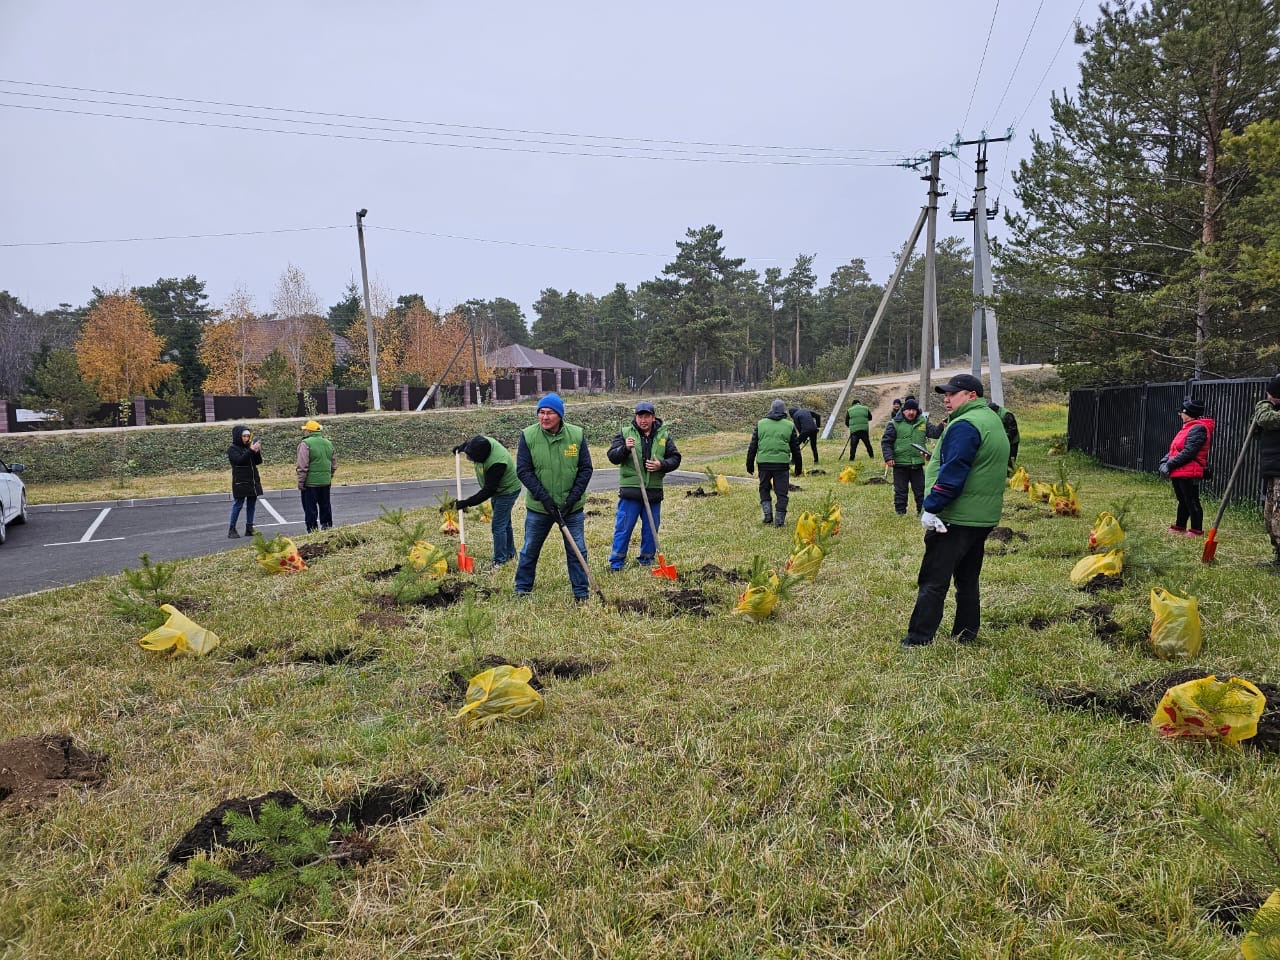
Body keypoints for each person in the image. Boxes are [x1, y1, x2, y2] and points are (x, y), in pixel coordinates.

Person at [902, 374, 1010, 647]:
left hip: (955, 517)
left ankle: (918, 639)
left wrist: (932, 506)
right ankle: (966, 633)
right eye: (946, 394)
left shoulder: (965, 425)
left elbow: (954, 472)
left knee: (933, 580)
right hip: (981, 517)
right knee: (967, 579)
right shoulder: (991, 420)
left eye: (952, 394)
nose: (946, 399)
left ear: (972, 395)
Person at [514, 393, 594, 600]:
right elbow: (523, 470)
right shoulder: (528, 436)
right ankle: (522, 588)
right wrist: (545, 499)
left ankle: (581, 593)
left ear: (560, 415)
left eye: (550, 412)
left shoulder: (576, 435)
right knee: (530, 549)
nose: (544, 417)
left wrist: (571, 500)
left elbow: (586, 468)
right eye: (541, 412)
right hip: (540, 508)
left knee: (577, 550)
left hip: (571, 509)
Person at [605, 401, 682, 570]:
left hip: (653, 491)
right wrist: (625, 448)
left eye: (647, 416)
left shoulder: (663, 436)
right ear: (636, 417)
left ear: (653, 418)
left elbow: (675, 458)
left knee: (651, 529)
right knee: (623, 528)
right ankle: (616, 563)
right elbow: (612, 456)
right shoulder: (625, 433)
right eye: (640, 416)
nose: (643, 420)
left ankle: (647, 560)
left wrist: (661, 465)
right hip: (631, 491)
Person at [452, 435, 521, 566]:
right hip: (498, 489)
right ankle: (511, 554)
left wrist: (466, 503)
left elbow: (488, 491)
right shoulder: (481, 442)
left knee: (498, 525)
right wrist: (462, 447)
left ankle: (499, 561)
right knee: (504, 523)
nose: (470, 460)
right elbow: (470, 442)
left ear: (483, 457)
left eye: (473, 458)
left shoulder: (497, 463)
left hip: (507, 491)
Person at [1158, 398, 1214, 537]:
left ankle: (1196, 529)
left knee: (1192, 500)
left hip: (1189, 471)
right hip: (1179, 470)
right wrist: (1164, 461)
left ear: (1187, 413)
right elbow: (1174, 449)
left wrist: (1169, 464)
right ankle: (1180, 526)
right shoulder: (1187, 427)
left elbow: (1189, 452)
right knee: (1182, 500)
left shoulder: (1198, 428)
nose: (1180, 415)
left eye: (1181, 412)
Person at [747, 398, 803, 527]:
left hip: (764, 464)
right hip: (781, 465)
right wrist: (798, 467)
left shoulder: (760, 424)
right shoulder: (789, 425)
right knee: (782, 493)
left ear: (771, 409)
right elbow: (795, 449)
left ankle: (767, 516)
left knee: (764, 488)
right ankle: (779, 521)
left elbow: (753, 446)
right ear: (783, 411)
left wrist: (749, 464)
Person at [881, 398, 929, 515]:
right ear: (903, 411)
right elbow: (886, 442)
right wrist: (888, 457)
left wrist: (943, 426)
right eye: (908, 410)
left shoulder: (923, 422)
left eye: (914, 410)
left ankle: (922, 512)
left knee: (920, 490)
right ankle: (900, 512)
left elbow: (935, 433)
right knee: (900, 491)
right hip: (900, 464)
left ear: (917, 411)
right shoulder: (893, 424)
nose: (911, 412)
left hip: (917, 464)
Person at [1255, 375, 1280, 568]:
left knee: (1278, 517)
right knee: (1270, 517)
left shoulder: (1271, 413)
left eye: (1270, 395)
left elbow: (1265, 418)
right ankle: (1278, 556)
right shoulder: (1273, 411)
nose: (1268, 398)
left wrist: (1264, 405)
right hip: (1273, 469)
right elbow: (1257, 424)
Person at [296, 419, 337, 533]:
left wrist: (301, 482)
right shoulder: (328, 443)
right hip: (325, 482)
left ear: (309, 431)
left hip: (310, 483)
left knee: (310, 508)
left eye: (305, 430)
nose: (304, 432)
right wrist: (329, 476)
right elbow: (333, 464)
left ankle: (312, 530)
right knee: (325, 506)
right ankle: (327, 527)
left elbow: (302, 465)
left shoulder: (305, 444)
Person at [226, 424, 262, 538]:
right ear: (238, 436)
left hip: (252, 480)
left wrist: (257, 451)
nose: (246, 438)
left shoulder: (248, 447)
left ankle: (249, 528)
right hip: (240, 481)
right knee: (238, 504)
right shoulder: (232, 449)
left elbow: (258, 461)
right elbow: (240, 461)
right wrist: (251, 450)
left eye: (248, 436)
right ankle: (232, 529)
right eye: (244, 436)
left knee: (252, 504)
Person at [987, 400, 1021, 473]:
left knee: (1010, 460)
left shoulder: (1006, 415)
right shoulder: (992, 414)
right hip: (1002, 440)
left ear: (995, 410)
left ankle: (1010, 474)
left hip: (1012, 441)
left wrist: (1005, 440)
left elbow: (1013, 430)